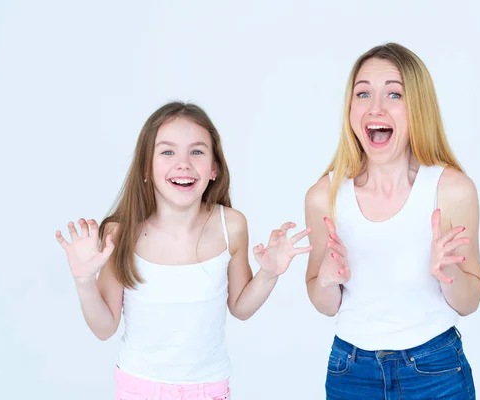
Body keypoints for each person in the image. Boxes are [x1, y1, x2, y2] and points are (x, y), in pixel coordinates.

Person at [56, 101, 312, 400]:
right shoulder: (120, 231)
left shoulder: (231, 225)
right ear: (145, 168)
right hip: (138, 388)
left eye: (197, 151)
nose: (183, 163)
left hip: (209, 389)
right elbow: (104, 328)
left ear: (214, 168)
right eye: (167, 152)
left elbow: (241, 308)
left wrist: (268, 274)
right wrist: (84, 281)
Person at [304, 43, 480, 399]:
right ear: (350, 107)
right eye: (363, 93)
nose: (376, 107)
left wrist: (448, 274)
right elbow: (325, 303)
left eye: (394, 94)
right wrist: (325, 280)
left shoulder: (451, 189)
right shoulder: (322, 196)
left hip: (435, 370)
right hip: (351, 372)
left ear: (418, 106)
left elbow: (470, 300)